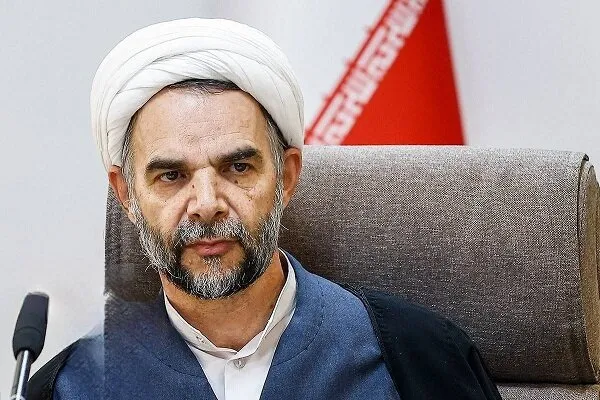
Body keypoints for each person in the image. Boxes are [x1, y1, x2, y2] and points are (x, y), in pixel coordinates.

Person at [30, 18, 502, 400]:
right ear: (127, 195)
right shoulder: (71, 388)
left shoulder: (421, 360)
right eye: (171, 175)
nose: (207, 205)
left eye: (237, 167)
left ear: (287, 176)